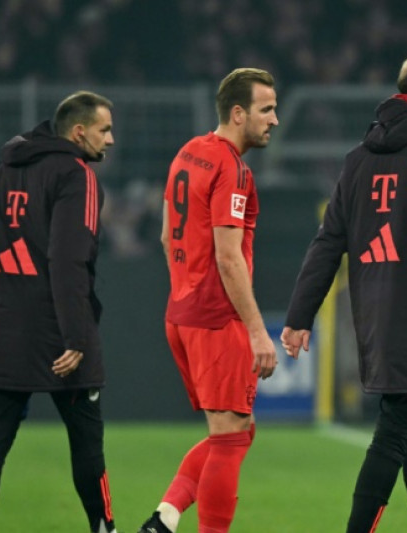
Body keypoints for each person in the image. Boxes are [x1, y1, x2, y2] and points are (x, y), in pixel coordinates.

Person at [281, 52, 407, 533]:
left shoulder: (358, 159)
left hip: (374, 314)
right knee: (396, 433)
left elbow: (329, 242)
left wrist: (298, 316)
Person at [137, 68, 279, 533]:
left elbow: (164, 236)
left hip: (180, 312)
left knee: (238, 430)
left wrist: (186, 289)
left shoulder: (188, 152)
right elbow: (228, 256)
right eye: (266, 109)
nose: (274, 120)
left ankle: (166, 517)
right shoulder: (232, 168)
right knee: (230, 440)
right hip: (217, 320)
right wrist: (258, 330)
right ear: (238, 113)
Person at [0, 91, 117, 533]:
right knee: (87, 442)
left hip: (2, 324)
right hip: (58, 333)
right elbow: (68, 260)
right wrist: (76, 336)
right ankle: (103, 527)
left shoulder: (0, 170)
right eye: (105, 129)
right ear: (78, 132)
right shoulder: (77, 175)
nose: (110, 139)